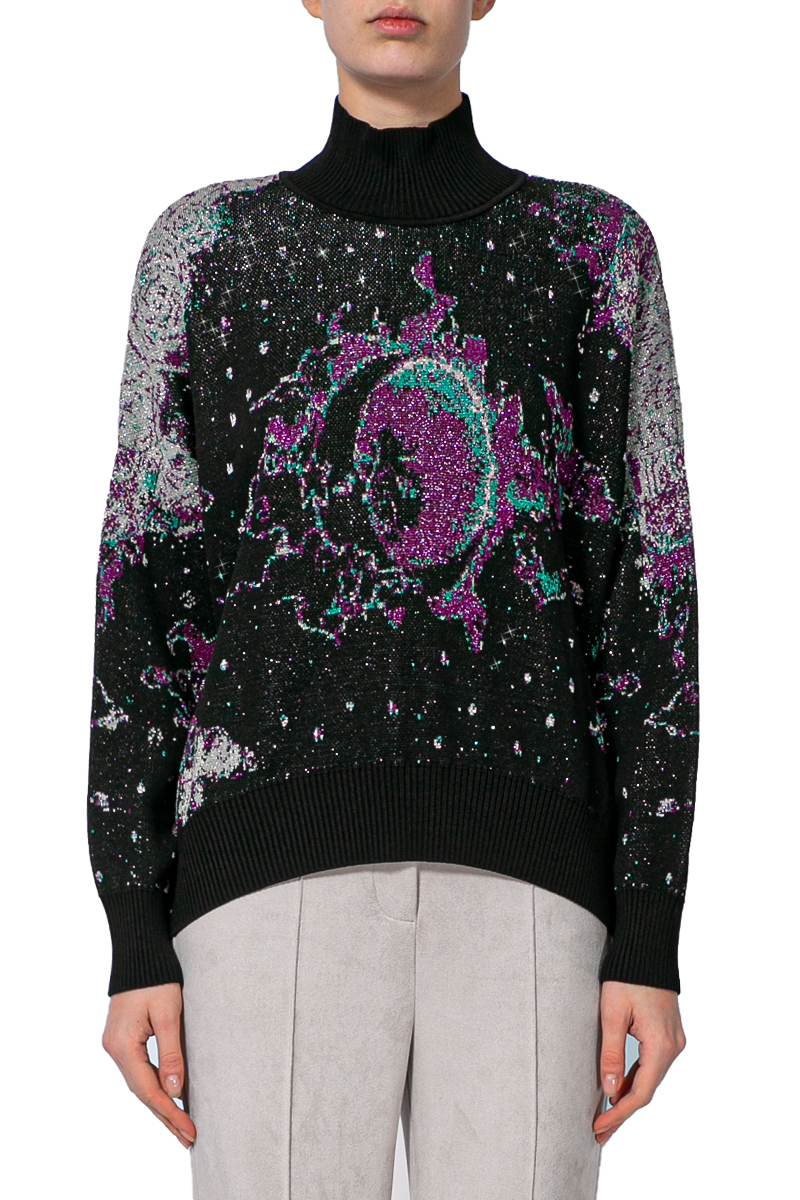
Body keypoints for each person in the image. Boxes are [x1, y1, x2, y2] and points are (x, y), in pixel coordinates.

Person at [89, 1, 699, 1195]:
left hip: (533, 889)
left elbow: (649, 599)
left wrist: (648, 930)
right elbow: (143, 592)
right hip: (256, 885)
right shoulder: (206, 248)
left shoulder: (593, 250)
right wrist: (131, 930)